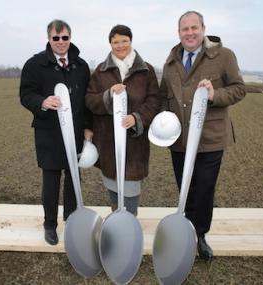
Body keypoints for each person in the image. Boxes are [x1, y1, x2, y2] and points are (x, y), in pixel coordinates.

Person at [159, 11, 246, 260]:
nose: (190, 33)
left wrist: (214, 95)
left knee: (205, 189)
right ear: (179, 33)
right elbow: (163, 96)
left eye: (194, 27)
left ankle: (200, 236)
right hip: (180, 140)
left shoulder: (223, 56)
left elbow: (239, 89)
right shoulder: (171, 61)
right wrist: (162, 120)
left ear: (203, 28)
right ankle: (184, 231)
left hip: (211, 138)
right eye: (184, 29)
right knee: (185, 187)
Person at [19, 19, 92, 245]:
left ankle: (71, 219)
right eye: (56, 38)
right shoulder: (35, 64)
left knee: (73, 180)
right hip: (49, 133)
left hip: (77, 132)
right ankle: (50, 224)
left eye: (65, 38)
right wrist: (42, 101)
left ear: (70, 38)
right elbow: (25, 95)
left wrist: (88, 128)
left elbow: (87, 100)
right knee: (51, 181)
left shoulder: (81, 66)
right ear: (49, 39)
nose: (61, 42)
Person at [85, 25, 162, 216]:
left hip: (135, 143)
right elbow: (89, 99)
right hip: (108, 142)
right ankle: (117, 220)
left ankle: (129, 223)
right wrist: (108, 94)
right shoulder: (100, 72)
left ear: (131, 41)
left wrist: (137, 118)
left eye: (124, 41)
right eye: (115, 42)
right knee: (112, 184)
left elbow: (154, 100)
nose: (120, 45)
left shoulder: (146, 71)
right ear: (110, 44)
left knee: (130, 188)